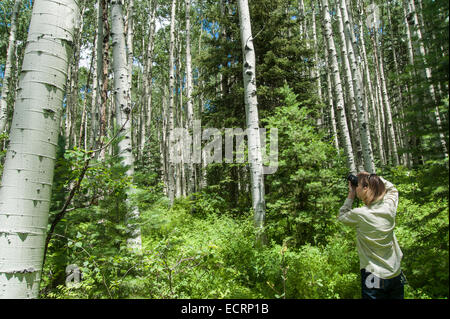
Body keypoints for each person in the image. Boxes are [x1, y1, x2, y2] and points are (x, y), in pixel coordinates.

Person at [338, 172, 405, 299]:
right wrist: (373, 177)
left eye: (357, 186)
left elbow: (342, 216)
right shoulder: (388, 208)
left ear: (365, 188)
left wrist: (350, 195)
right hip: (395, 273)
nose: (355, 189)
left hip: (373, 275)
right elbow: (392, 189)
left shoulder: (360, 214)